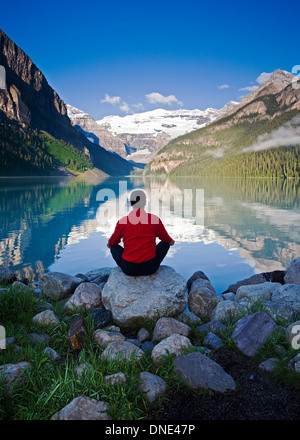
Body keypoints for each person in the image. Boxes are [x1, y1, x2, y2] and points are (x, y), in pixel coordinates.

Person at [107, 189, 175, 276]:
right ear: (145, 203)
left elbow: (112, 243)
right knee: (165, 243)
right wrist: (171, 242)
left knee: (114, 246)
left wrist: (110, 245)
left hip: (128, 268)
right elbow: (167, 240)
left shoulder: (122, 222)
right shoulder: (154, 219)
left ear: (131, 203)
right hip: (150, 267)